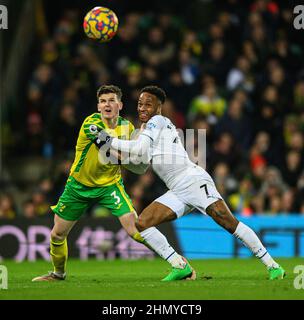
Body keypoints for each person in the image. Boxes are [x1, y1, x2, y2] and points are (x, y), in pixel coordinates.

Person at [96, 85, 285, 280]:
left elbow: (137, 148)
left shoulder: (157, 121)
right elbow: (139, 164)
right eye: (140, 104)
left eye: (148, 104)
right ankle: (179, 266)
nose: (142, 108)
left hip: (192, 180)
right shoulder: (147, 129)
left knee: (229, 222)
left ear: (159, 107)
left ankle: (273, 266)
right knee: (143, 223)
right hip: (177, 190)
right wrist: (114, 154)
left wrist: (106, 139)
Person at [32, 85, 195, 282]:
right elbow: (112, 153)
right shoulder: (90, 124)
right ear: (98, 106)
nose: (106, 104)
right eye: (102, 101)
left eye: (111, 100)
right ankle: (58, 274)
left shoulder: (128, 128)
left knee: (136, 229)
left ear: (120, 104)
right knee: (57, 235)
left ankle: (179, 263)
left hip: (110, 185)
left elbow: (139, 156)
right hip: (78, 186)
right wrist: (135, 157)